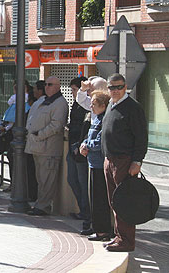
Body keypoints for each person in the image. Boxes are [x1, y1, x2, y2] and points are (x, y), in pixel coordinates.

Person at [101, 73, 148, 252]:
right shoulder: (111, 105)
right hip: (110, 159)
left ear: (125, 86)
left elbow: (141, 137)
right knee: (114, 202)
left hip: (124, 161)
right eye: (111, 87)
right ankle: (119, 236)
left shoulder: (133, 108)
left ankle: (127, 241)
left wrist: (137, 161)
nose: (115, 91)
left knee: (124, 202)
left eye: (119, 87)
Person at [24, 76, 69, 216]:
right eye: (45, 84)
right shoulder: (42, 100)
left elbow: (56, 125)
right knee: (40, 178)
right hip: (36, 146)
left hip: (48, 148)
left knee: (47, 179)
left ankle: (43, 206)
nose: (47, 87)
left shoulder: (60, 103)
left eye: (50, 84)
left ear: (58, 86)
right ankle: (40, 203)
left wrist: (39, 134)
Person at [80, 91, 113, 242]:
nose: (91, 107)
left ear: (103, 105)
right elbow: (90, 136)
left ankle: (102, 231)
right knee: (94, 197)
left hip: (100, 164)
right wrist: (84, 143)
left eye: (94, 104)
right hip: (93, 163)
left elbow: (100, 142)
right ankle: (97, 227)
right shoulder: (98, 118)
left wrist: (87, 145)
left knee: (100, 199)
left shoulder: (104, 120)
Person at [66, 76, 91, 234]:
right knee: (72, 179)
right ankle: (83, 210)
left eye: (75, 90)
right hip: (72, 145)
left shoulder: (87, 106)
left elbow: (85, 127)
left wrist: (79, 144)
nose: (73, 93)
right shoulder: (75, 104)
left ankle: (86, 213)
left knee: (83, 182)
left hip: (81, 148)